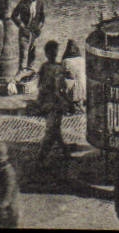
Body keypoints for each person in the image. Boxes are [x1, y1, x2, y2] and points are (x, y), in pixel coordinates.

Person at [34, 40, 69, 172]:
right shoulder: (58, 68)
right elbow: (59, 88)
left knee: (54, 129)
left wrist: (40, 102)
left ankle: (60, 153)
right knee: (52, 130)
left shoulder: (44, 67)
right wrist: (66, 102)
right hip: (55, 103)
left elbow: (40, 86)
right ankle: (43, 158)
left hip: (48, 103)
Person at [10, 0, 46, 73]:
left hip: (35, 32)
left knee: (32, 53)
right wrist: (20, 25)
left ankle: (30, 71)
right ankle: (21, 72)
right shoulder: (23, 3)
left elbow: (42, 17)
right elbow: (14, 15)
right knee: (23, 53)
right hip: (24, 31)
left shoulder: (40, 3)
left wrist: (40, 26)